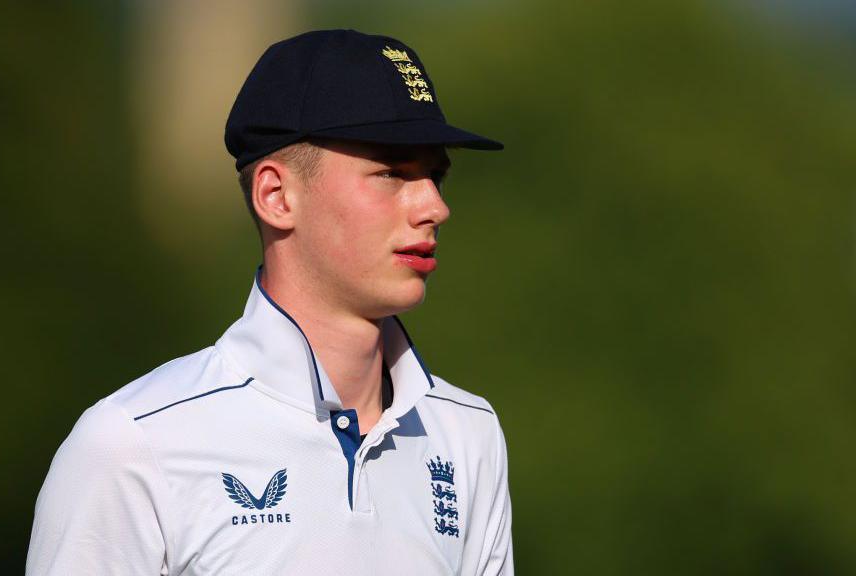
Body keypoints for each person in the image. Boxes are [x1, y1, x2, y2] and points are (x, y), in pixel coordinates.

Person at [27, 29, 513, 575]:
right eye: (391, 172)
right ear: (276, 196)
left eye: (436, 176)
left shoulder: (468, 433)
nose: (434, 206)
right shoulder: (131, 443)